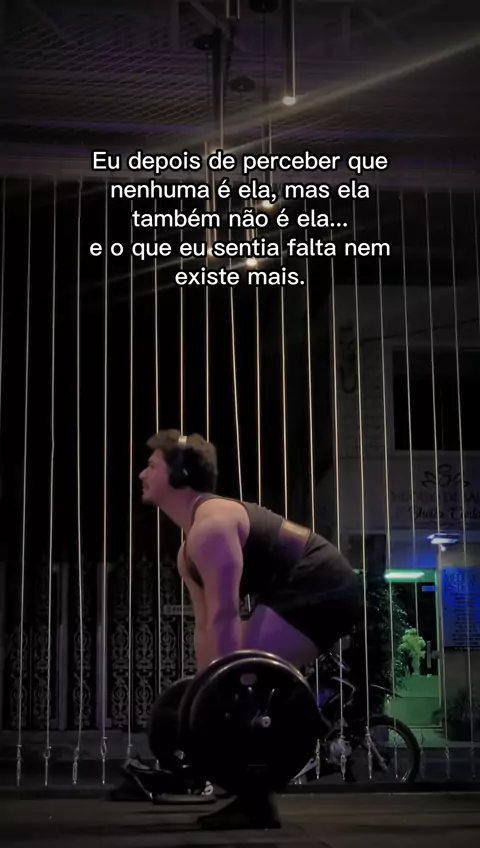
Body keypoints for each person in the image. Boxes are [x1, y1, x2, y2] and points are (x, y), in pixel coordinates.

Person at [140, 429, 361, 672]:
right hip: (288, 587)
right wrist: (203, 687)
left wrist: (222, 687)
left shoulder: (212, 528)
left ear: (179, 474)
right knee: (237, 665)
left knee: (244, 667)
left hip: (324, 582)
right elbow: (205, 627)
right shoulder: (187, 554)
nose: (142, 474)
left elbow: (224, 615)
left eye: (152, 466)